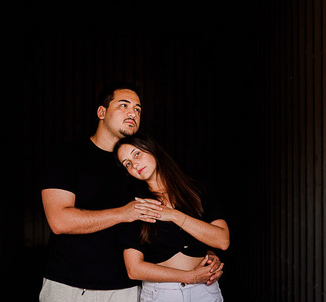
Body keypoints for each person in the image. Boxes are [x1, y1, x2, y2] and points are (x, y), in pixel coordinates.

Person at [39, 84, 224, 302]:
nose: (132, 113)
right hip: (71, 284)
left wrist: (204, 255)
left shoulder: (142, 169)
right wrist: (123, 213)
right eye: (123, 105)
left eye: (138, 109)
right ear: (101, 112)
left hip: (126, 289)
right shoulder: (68, 157)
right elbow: (59, 221)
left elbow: (167, 223)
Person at [113, 134, 230, 302]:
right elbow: (134, 269)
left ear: (152, 150)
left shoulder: (195, 191)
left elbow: (222, 240)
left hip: (205, 290)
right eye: (127, 164)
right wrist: (190, 276)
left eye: (136, 154)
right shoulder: (136, 206)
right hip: (162, 293)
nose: (134, 164)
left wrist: (173, 215)